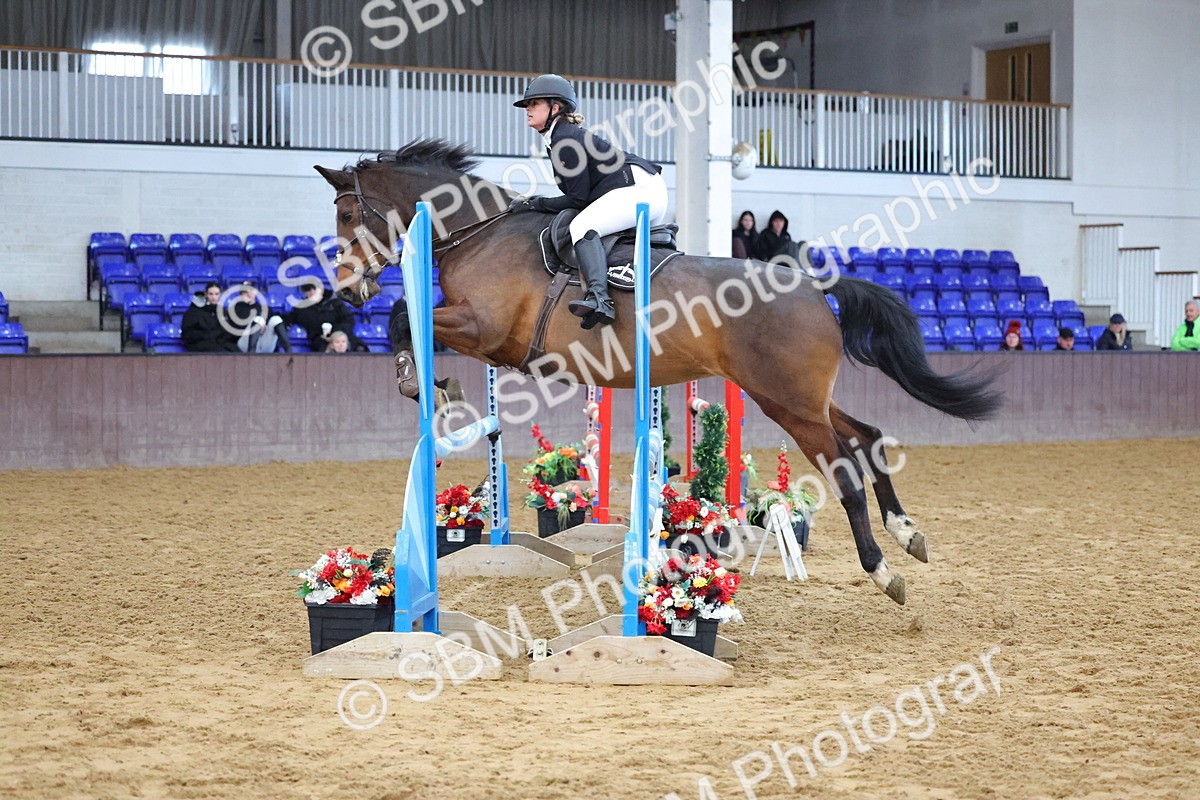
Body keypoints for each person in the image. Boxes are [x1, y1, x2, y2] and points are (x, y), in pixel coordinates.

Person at [507, 73, 668, 330]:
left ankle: (600, 298)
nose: (527, 109)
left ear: (555, 108)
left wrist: (533, 204)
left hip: (639, 190)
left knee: (582, 226)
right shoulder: (561, 137)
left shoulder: (565, 140)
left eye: (534, 103)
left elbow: (577, 199)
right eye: (528, 104)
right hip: (645, 190)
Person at [283, 282, 365, 352]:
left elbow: (348, 319)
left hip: (341, 334)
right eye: (308, 290)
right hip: (319, 339)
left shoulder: (335, 303)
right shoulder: (301, 308)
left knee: (360, 348)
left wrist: (336, 333)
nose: (311, 293)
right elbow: (288, 318)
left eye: (314, 289)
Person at [230, 282, 291, 354]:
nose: (249, 294)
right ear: (241, 294)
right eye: (245, 292)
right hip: (245, 344)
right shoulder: (236, 308)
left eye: (251, 290)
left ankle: (289, 352)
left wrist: (264, 326)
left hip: (264, 343)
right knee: (259, 320)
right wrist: (257, 325)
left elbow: (276, 320)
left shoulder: (263, 307)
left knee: (276, 319)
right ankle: (251, 355)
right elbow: (236, 328)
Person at [181, 282, 238, 353]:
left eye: (216, 294)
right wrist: (207, 335)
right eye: (211, 294)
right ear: (206, 294)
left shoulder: (224, 312)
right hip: (200, 345)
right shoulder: (194, 311)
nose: (214, 297)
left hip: (221, 344)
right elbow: (188, 334)